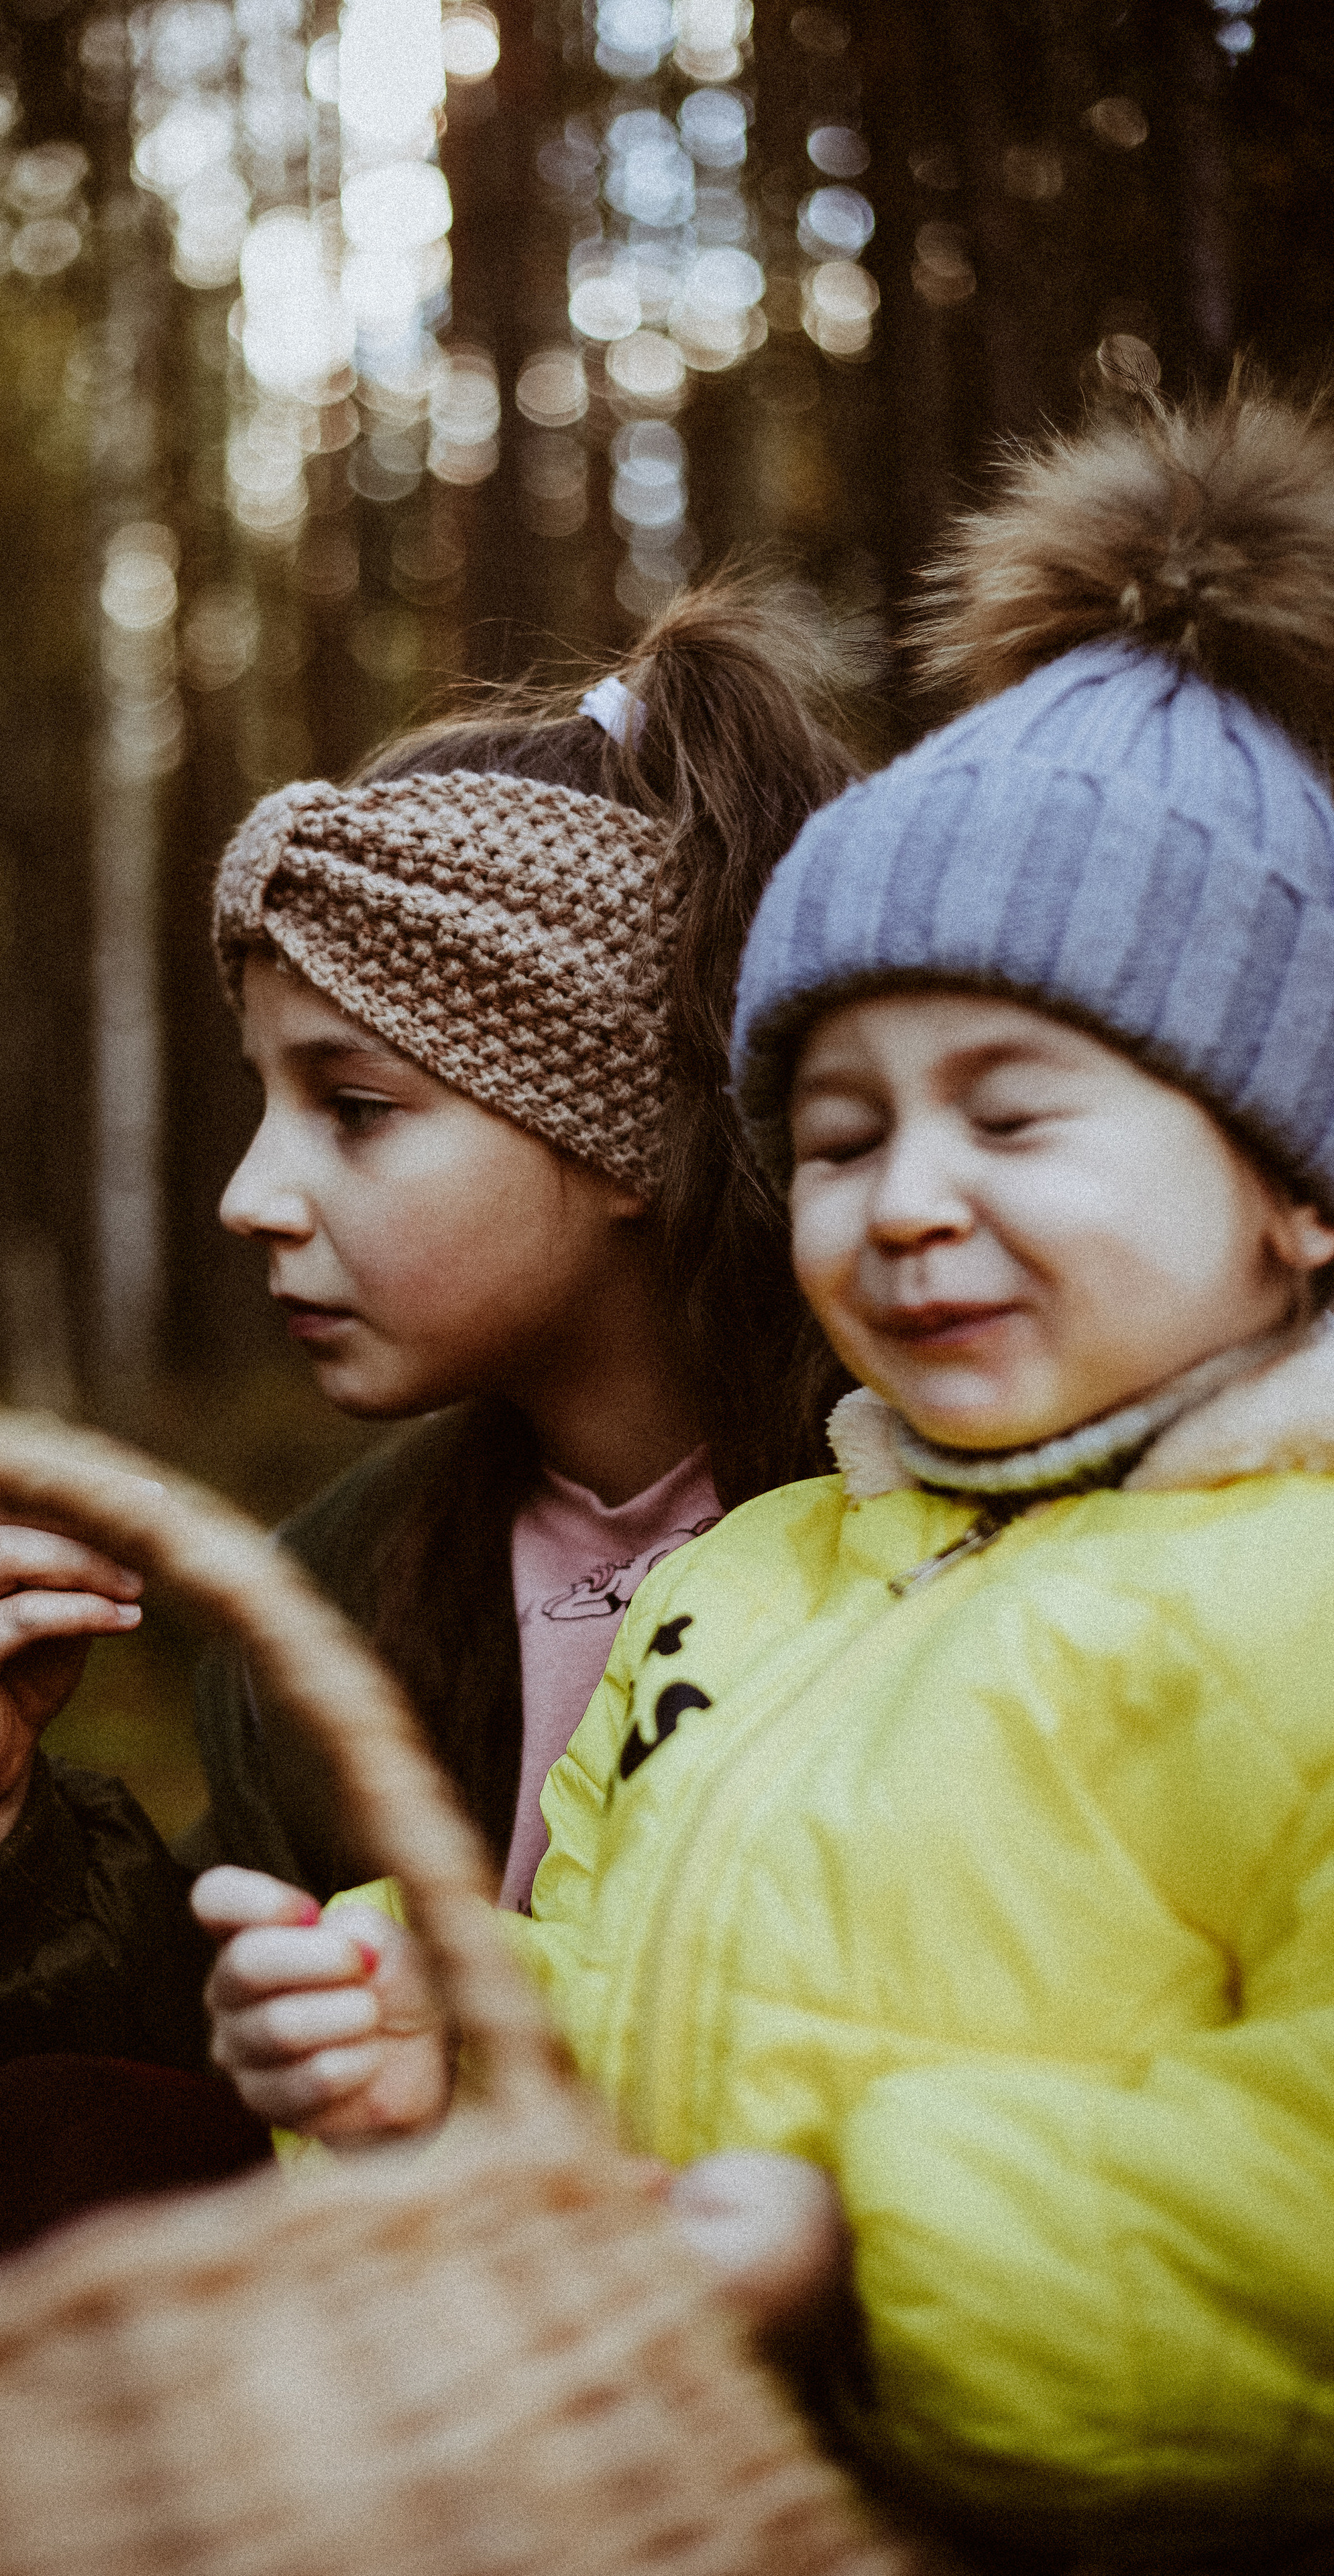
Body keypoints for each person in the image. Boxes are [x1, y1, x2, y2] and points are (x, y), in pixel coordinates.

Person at [200, 384, 1334, 2563]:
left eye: (1009, 1121)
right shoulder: (760, 1580)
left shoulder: (1291, 1610)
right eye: (837, 1135)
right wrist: (425, 2025)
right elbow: (632, 1989)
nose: (906, 1202)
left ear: (1295, 1191)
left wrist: (862, 2252)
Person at [0, 580, 857, 2368]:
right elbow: (197, 2057)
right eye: (263, 1100)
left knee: (73, 2148)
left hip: (637, 2355)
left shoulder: (897, 1534)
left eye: (352, 1108)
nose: (251, 1194)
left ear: (624, 1131)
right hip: (353, 2270)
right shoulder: (365, 1576)